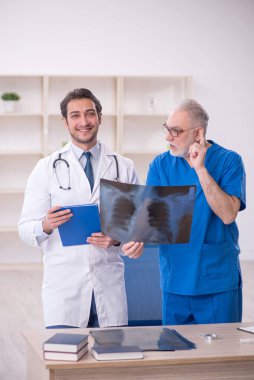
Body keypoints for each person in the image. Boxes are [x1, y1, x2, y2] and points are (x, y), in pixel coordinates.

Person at [18, 88, 138, 328]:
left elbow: (135, 231)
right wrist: (46, 225)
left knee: (111, 359)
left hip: (109, 286)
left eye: (89, 114)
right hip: (65, 289)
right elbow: (24, 229)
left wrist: (116, 239)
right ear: (65, 122)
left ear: (99, 118)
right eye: (75, 115)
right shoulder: (46, 168)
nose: (84, 122)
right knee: (64, 360)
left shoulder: (123, 167)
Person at [122, 99, 246, 325]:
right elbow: (151, 219)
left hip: (216, 282)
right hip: (175, 281)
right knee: (176, 354)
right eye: (167, 129)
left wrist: (200, 169)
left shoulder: (229, 161)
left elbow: (228, 214)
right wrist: (138, 240)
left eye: (176, 131)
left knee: (218, 355)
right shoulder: (160, 165)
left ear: (198, 134)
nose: (168, 137)